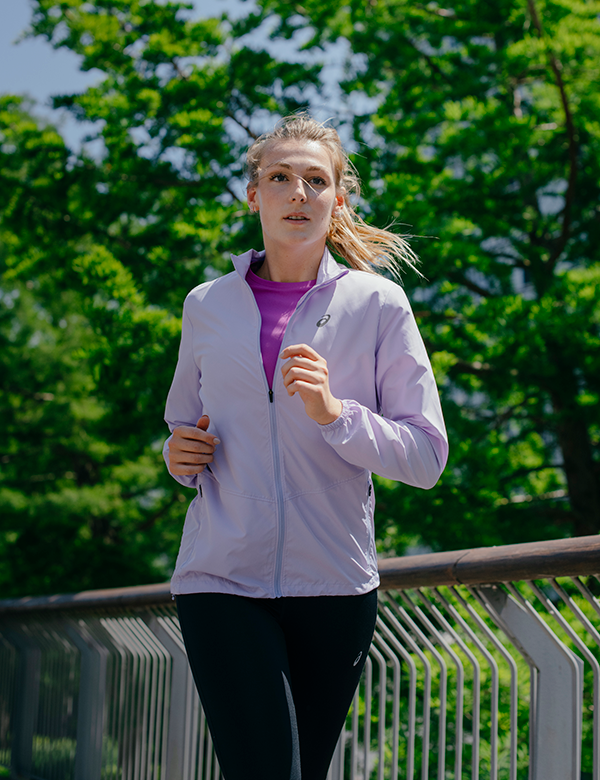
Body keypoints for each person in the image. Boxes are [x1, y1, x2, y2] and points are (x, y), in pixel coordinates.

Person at [163, 114, 448, 780]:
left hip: (336, 586)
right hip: (221, 579)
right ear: (253, 195)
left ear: (338, 198)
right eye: (280, 177)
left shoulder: (379, 305)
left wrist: (335, 413)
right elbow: (184, 426)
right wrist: (178, 458)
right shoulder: (207, 303)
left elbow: (426, 457)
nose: (298, 192)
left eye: (316, 180)